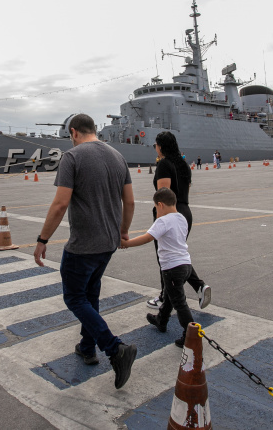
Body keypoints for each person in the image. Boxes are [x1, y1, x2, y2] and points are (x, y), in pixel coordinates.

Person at [34, 113, 137, 389]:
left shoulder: (73, 157)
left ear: (73, 132)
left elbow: (60, 204)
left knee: (74, 297)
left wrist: (43, 238)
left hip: (83, 246)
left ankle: (115, 349)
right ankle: (87, 347)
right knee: (91, 295)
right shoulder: (118, 156)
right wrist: (123, 231)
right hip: (108, 244)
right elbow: (130, 201)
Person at [121, 187, 203, 347]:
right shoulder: (181, 218)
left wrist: (126, 244)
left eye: (156, 208)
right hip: (186, 265)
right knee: (169, 294)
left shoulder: (163, 221)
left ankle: (191, 336)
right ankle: (161, 320)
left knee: (179, 302)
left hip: (172, 268)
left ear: (160, 205)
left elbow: (147, 238)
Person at [145, 131, 210, 311]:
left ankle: (165, 298)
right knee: (177, 254)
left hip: (169, 213)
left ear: (161, 146)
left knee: (165, 257)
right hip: (184, 212)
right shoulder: (183, 164)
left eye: (156, 145)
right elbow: (186, 188)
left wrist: (160, 220)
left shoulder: (164, 164)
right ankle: (199, 287)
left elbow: (163, 195)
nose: (155, 148)